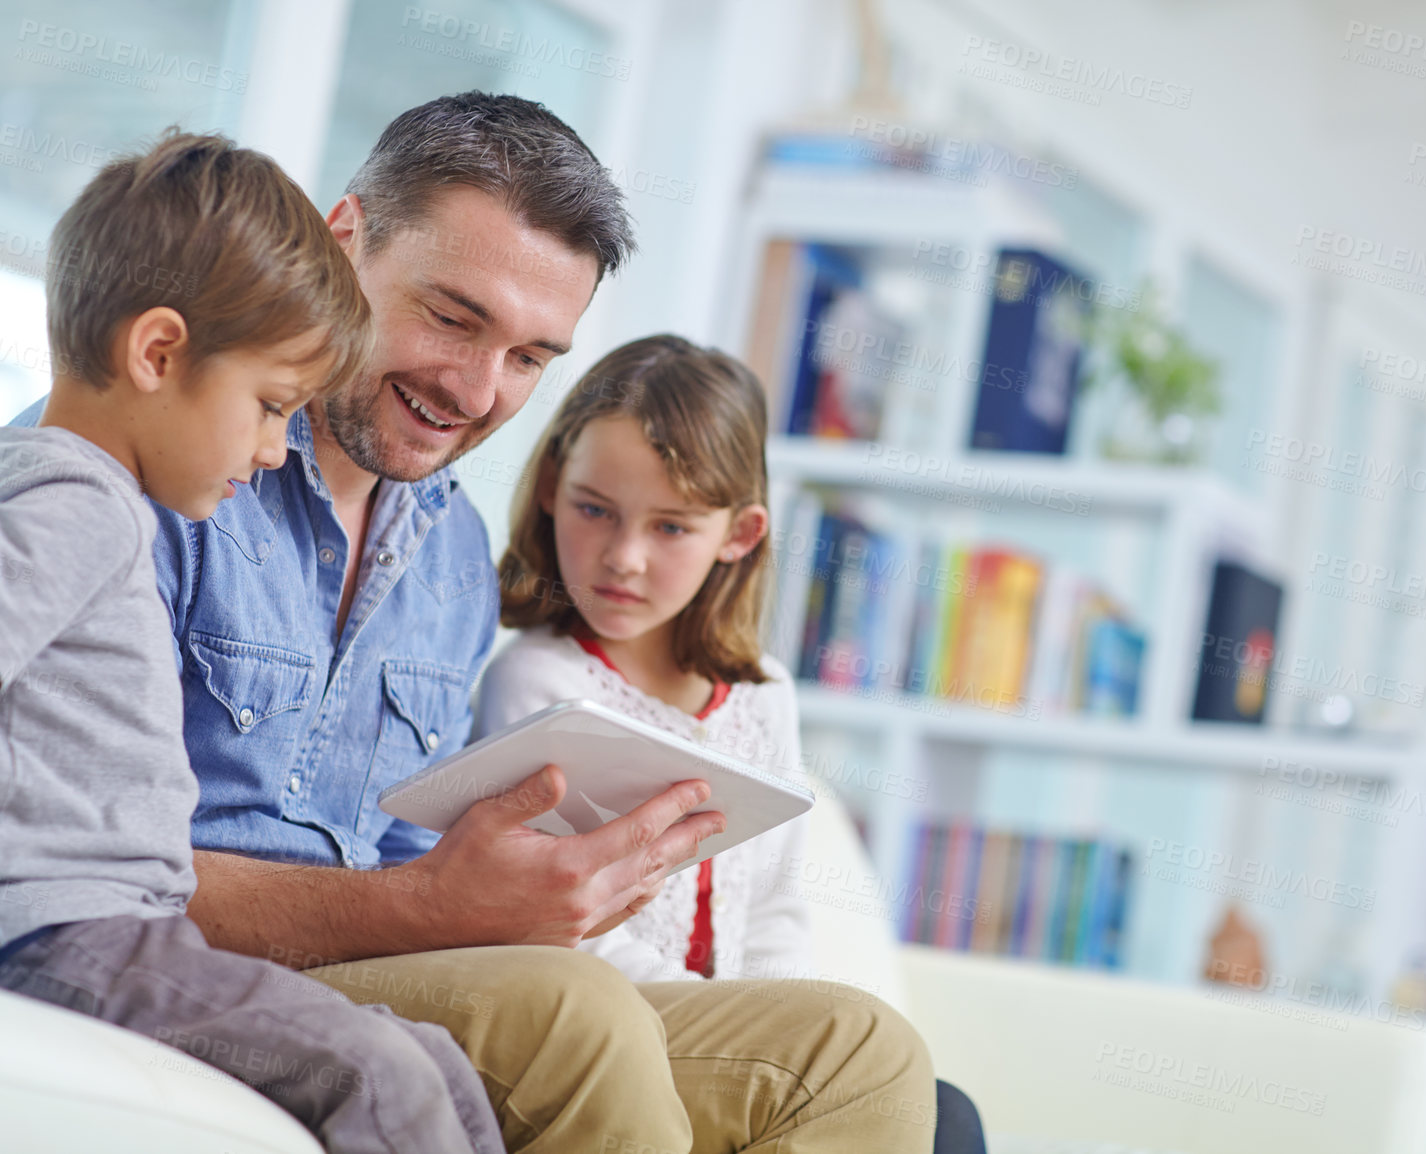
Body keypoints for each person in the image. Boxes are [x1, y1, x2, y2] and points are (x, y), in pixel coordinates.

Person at [16, 92, 936, 1152]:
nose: (475, 389)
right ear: (343, 239)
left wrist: (502, 888)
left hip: (387, 966)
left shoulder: (452, 552)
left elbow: (411, 852)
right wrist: (426, 905)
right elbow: (78, 856)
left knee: (854, 1049)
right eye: (452, 317)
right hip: (188, 960)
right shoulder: (135, 473)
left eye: (531, 357)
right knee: (571, 1015)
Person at [0, 132, 504, 1154]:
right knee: (382, 1072)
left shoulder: (103, 503)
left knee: (433, 1061)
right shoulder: (72, 499)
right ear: (157, 352)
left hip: (125, 931)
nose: (278, 447)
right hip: (62, 934)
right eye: (270, 407)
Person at [476, 334, 989, 1154]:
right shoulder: (537, 682)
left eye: (672, 527)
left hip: (736, 1034)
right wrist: (752, 1033)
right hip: (615, 1030)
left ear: (739, 534)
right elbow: (563, 922)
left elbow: (778, 909)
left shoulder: (764, 695)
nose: (623, 557)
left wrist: (778, 1020)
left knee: (945, 1113)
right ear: (548, 489)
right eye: (593, 508)